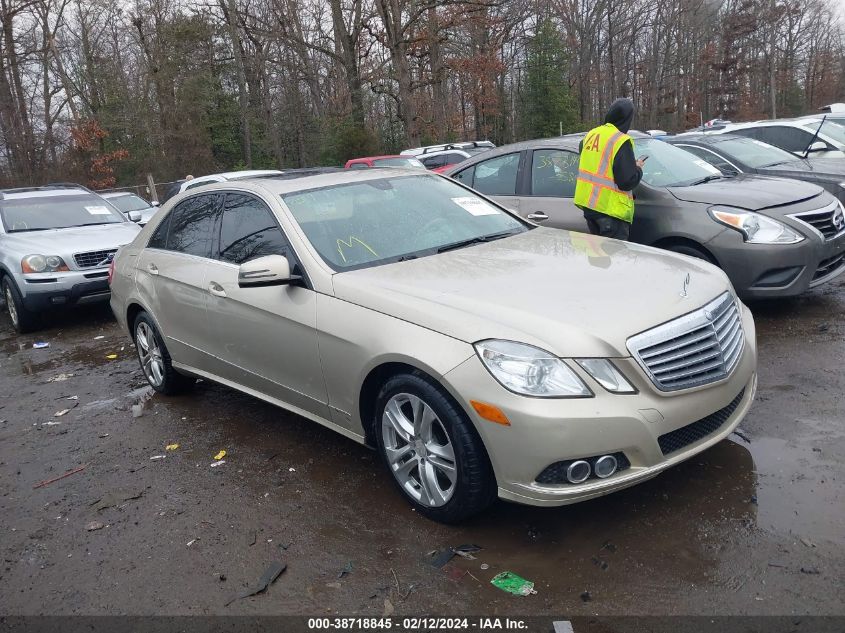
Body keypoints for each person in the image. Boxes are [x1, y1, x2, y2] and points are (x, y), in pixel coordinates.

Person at [574, 98, 647, 241]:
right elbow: (626, 181)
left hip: (590, 207)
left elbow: (593, 163)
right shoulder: (620, 140)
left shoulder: (591, 134)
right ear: (627, 119)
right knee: (614, 259)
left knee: (597, 257)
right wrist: (637, 168)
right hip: (610, 211)